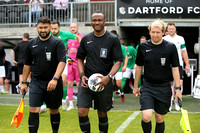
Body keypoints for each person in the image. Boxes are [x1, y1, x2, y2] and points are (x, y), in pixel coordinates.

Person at [76, 11, 123, 133]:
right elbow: (79, 58)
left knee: (102, 113)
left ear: (104, 21)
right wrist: (82, 75)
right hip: (87, 81)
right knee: (82, 112)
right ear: (91, 22)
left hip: (104, 82)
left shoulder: (113, 39)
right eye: (94, 20)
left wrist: (109, 77)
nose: (97, 22)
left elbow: (118, 61)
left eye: (99, 20)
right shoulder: (86, 39)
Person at [133, 20, 182, 133]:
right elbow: (139, 67)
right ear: (149, 32)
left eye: (158, 32)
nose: (155, 35)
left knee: (159, 118)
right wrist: (136, 86)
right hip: (148, 86)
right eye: (153, 32)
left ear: (163, 32)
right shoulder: (143, 47)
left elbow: (175, 68)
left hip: (164, 87)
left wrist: (178, 89)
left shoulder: (170, 47)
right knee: (146, 116)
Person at [21, 16, 66, 133]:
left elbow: (62, 61)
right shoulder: (31, 44)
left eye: (46, 27)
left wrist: (55, 79)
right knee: (33, 110)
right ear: (36, 28)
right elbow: (27, 64)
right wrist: (24, 82)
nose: (43, 30)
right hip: (36, 82)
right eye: (41, 27)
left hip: (53, 82)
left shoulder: (57, 42)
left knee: (54, 110)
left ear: (50, 27)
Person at [49, 19, 81, 111]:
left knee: (63, 81)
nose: (53, 30)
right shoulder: (48, 35)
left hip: (63, 62)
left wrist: (82, 46)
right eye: (52, 28)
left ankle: (63, 101)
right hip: (51, 62)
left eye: (55, 28)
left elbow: (77, 37)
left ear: (59, 28)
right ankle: (44, 104)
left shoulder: (64, 34)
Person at [163, 22, 190, 111]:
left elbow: (184, 52)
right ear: (167, 30)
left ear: (175, 29)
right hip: (168, 64)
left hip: (179, 64)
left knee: (179, 83)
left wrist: (187, 64)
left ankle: (177, 101)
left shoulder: (180, 39)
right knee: (170, 85)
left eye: (172, 28)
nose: (171, 30)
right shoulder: (164, 39)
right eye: (169, 29)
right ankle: (170, 102)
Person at [66, 23, 84, 110]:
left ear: (77, 28)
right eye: (71, 27)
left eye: (74, 27)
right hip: (70, 62)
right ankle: (71, 104)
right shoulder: (68, 37)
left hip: (78, 63)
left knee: (78, 84)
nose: (73, 28)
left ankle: (80, 102)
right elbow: (66, 49)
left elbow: (85, 48)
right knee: (69, 83)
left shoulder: (81, 37)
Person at [110, 30, 128, 102]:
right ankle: (111, 98)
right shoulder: (108, 46)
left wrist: (125, 66)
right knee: (109, 83)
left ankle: (122, 92)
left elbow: (126, 57)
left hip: (119, 68)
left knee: (119, 84)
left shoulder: (122, 47)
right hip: (110, 68)